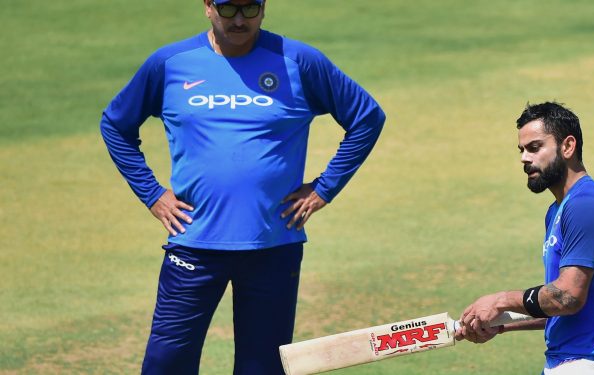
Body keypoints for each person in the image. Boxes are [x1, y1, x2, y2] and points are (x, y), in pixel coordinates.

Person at [100, 0, 385, 373]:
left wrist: (323, 188)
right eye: (228, 8)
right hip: (193, 244)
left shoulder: (299, 62)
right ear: (208, 7)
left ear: (264, 9)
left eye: (249, 9)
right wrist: (153, 194)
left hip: (273, 247)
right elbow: (116, 125)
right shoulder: (169, 63)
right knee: (166, 363)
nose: (238, 20)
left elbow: (367, 117)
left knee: (263, 366)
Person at [455, 102, 594, 375]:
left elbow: (568, 297)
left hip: (588, 363)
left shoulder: (586, 205)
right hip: (572, 362)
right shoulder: (558, 210)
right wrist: (500, 324)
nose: (524, 159)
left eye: (535, 148)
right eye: (522, 150)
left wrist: (501, 300)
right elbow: (561, 307)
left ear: (568, 146)